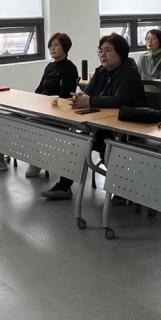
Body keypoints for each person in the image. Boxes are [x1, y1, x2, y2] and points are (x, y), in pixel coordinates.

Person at [42, 33, 147, 200]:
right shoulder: (101, 71)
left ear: (120, 53)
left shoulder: (129, 73)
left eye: (107, 50)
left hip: (129, 128)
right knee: (76, 141)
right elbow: (88, 92)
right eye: (100, 51)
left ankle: (123, 188)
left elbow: (120, 100)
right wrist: (80, 98)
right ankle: (64, 186)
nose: (102, 55)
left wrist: (90, 101)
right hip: (104, 124)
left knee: (106, 147)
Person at [0, 32, 80, 176]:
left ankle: (37, 159)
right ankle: (0, 160)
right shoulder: (50, 67)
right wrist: (31, 102)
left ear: (65, 47)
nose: (52, 48)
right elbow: (39, 89)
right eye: (50, 46)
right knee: (7, 119)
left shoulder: (70, 69)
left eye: (56, 45)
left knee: (30, 124)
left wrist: (43, 104)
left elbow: (64, 97)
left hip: (56, 113)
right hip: (40, 109)